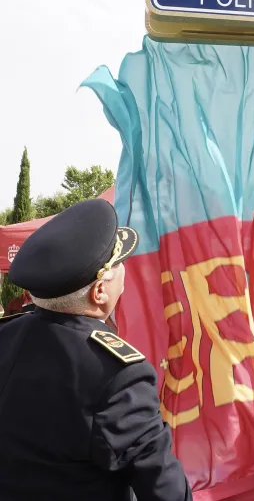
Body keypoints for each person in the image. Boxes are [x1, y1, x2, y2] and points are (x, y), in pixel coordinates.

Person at [0, 199, 191, 501]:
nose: (125, 271)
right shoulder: (119, 376)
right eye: (120, 263)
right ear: (100, 291)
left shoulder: (7, 336)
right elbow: (166, 492)